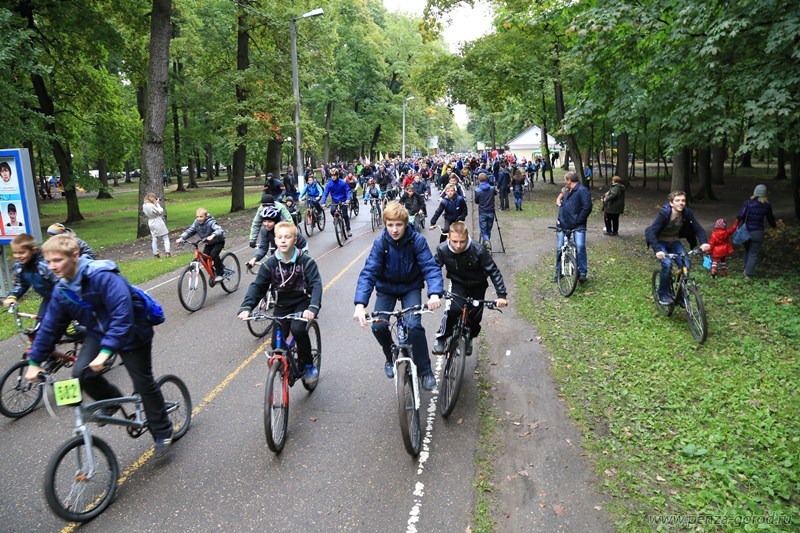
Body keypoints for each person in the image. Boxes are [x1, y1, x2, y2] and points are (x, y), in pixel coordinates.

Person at [24, 235, 174, 458]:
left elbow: (122, 314)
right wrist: (35, 362)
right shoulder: (62, 290)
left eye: (57, 260)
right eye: (48, 261)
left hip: (132, 329)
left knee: (142, 382)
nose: (52, 266)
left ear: (75, 256)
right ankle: (111, 401)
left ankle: (163, 430)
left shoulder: (102, 276)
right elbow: (50, 328)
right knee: (80, 373)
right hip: (99, 331)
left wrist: (105, 353)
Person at [353, 201, 443, 390]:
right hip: (387, 288)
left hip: (411, 287)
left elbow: (430, 267)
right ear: (385, 224)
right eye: (390, 225)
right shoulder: (381, 242)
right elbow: (369, 272)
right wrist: (360, 304)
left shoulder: (416, 240)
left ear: (405, 223)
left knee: (414, 326)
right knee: (378, 326)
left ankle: (425, 370)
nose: (394, 230)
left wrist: (434, 293)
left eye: (399, 225)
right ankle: (390, 354)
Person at [238, 222, 322, 382]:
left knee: (298, 330)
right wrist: (247, 306)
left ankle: (308, 364)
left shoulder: (306, 262)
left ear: (295, 240)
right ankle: (286, 366)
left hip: (302, 303)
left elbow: (316, 285)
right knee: (276, 344)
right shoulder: (270, 265)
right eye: (280, 237)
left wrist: (313, 307)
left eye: (288, 237)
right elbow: (258, 286)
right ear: (275, 241)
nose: (283, 240)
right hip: (282, 305)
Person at [432, 222, 508, 355]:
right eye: (454, 241)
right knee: (454, 310)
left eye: (462, 241)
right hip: (458, 283)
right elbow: (432, 270)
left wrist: (501, 295)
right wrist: (435, 291)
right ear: (448, 237)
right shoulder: (442, 249)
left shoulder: (478, 250)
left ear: (467, 237)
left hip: (478, 285)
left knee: (475, 317)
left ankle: (469, 338)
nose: (458, 245)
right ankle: (442, 338)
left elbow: (494, 272)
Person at [645, 191, 710, 305]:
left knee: (686, 266)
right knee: (667, 264)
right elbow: (651, 232)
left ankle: (680, 296)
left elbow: (698, 229)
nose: (681, 203)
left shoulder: (687, 213)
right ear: (671, 203)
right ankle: (663, 294)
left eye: (683, 200)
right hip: (661, 242)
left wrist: (704, 242)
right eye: (677, 200)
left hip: (674, 241)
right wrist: (658, 250)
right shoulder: (664, 213)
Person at [3, 234, 58, 322]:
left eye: (22, 252)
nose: (18, 256)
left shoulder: (45, 265)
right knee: (40, 327)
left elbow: (61, 282)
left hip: (63, 297)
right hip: (48, 298)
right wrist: (12, 296)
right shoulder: (19, 266)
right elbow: (21, 284)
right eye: (15, 253)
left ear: (34, 250)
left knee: (72, 328)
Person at [555, 171, 593, 283]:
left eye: (565, 180)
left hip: (578, 225)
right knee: (560, 248)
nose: (564, 182)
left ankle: (582, 272)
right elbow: (564, 205)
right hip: (564, 224)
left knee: (580, 246)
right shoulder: (567, 191)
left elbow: (587, 208)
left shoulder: (582, 190)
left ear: (569, 180)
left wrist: (578, 220)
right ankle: (558, 273)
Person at [737, 184, 777, 280]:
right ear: (765, 194)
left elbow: (740, 216)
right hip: (758, 232)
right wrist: (774, 226)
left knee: (747, 250)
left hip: (746, 231)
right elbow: (770, 219)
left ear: (754, 192)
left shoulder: (748, 203)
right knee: (753, 253)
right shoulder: (767, 206)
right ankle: (748, 274)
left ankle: (745, 269)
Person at [177, 208, 226, 282]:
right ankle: (213, 275)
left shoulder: (211, 222)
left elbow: (219, 229)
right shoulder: (196, 223)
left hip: (218, 241)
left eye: (201, 216)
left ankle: (220, 273)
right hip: (208, 243)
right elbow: (190, 231)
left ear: (206, 216)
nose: (199, 218)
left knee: (213, 255)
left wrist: (213, 235)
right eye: (197, 216)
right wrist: (182, 237)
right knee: (204, 258)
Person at [321, 169, 352, 237]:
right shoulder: (329, 184)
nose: (333, 177)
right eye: (332, 175)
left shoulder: (343, 183)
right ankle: (336, 218)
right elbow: (325, 193)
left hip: (343, 200)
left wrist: (348, 199)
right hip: (334, 200)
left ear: (337, 175)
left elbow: (348, 191)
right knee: (332, 210)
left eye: (335, 175)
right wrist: (323, 202)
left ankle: (348, 229)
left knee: (345, 215)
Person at [473, 172, 497, 252]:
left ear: (479, 180)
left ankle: (487, 244)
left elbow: (476, 201)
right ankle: (487, 245)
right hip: (491, 211)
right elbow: (495, 194)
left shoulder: (477, 190)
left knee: (483, 230)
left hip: (483, 211)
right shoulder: (492, 188)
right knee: (488, 230)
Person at [143, 193, 171, 258]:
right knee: (165, 237)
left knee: (154, 238)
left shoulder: (144, 205)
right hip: (157, 221)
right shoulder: (151, 205)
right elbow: (160, 211)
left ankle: (156, 254)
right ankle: (167, 252)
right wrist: (157, 204)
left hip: (150, 221)